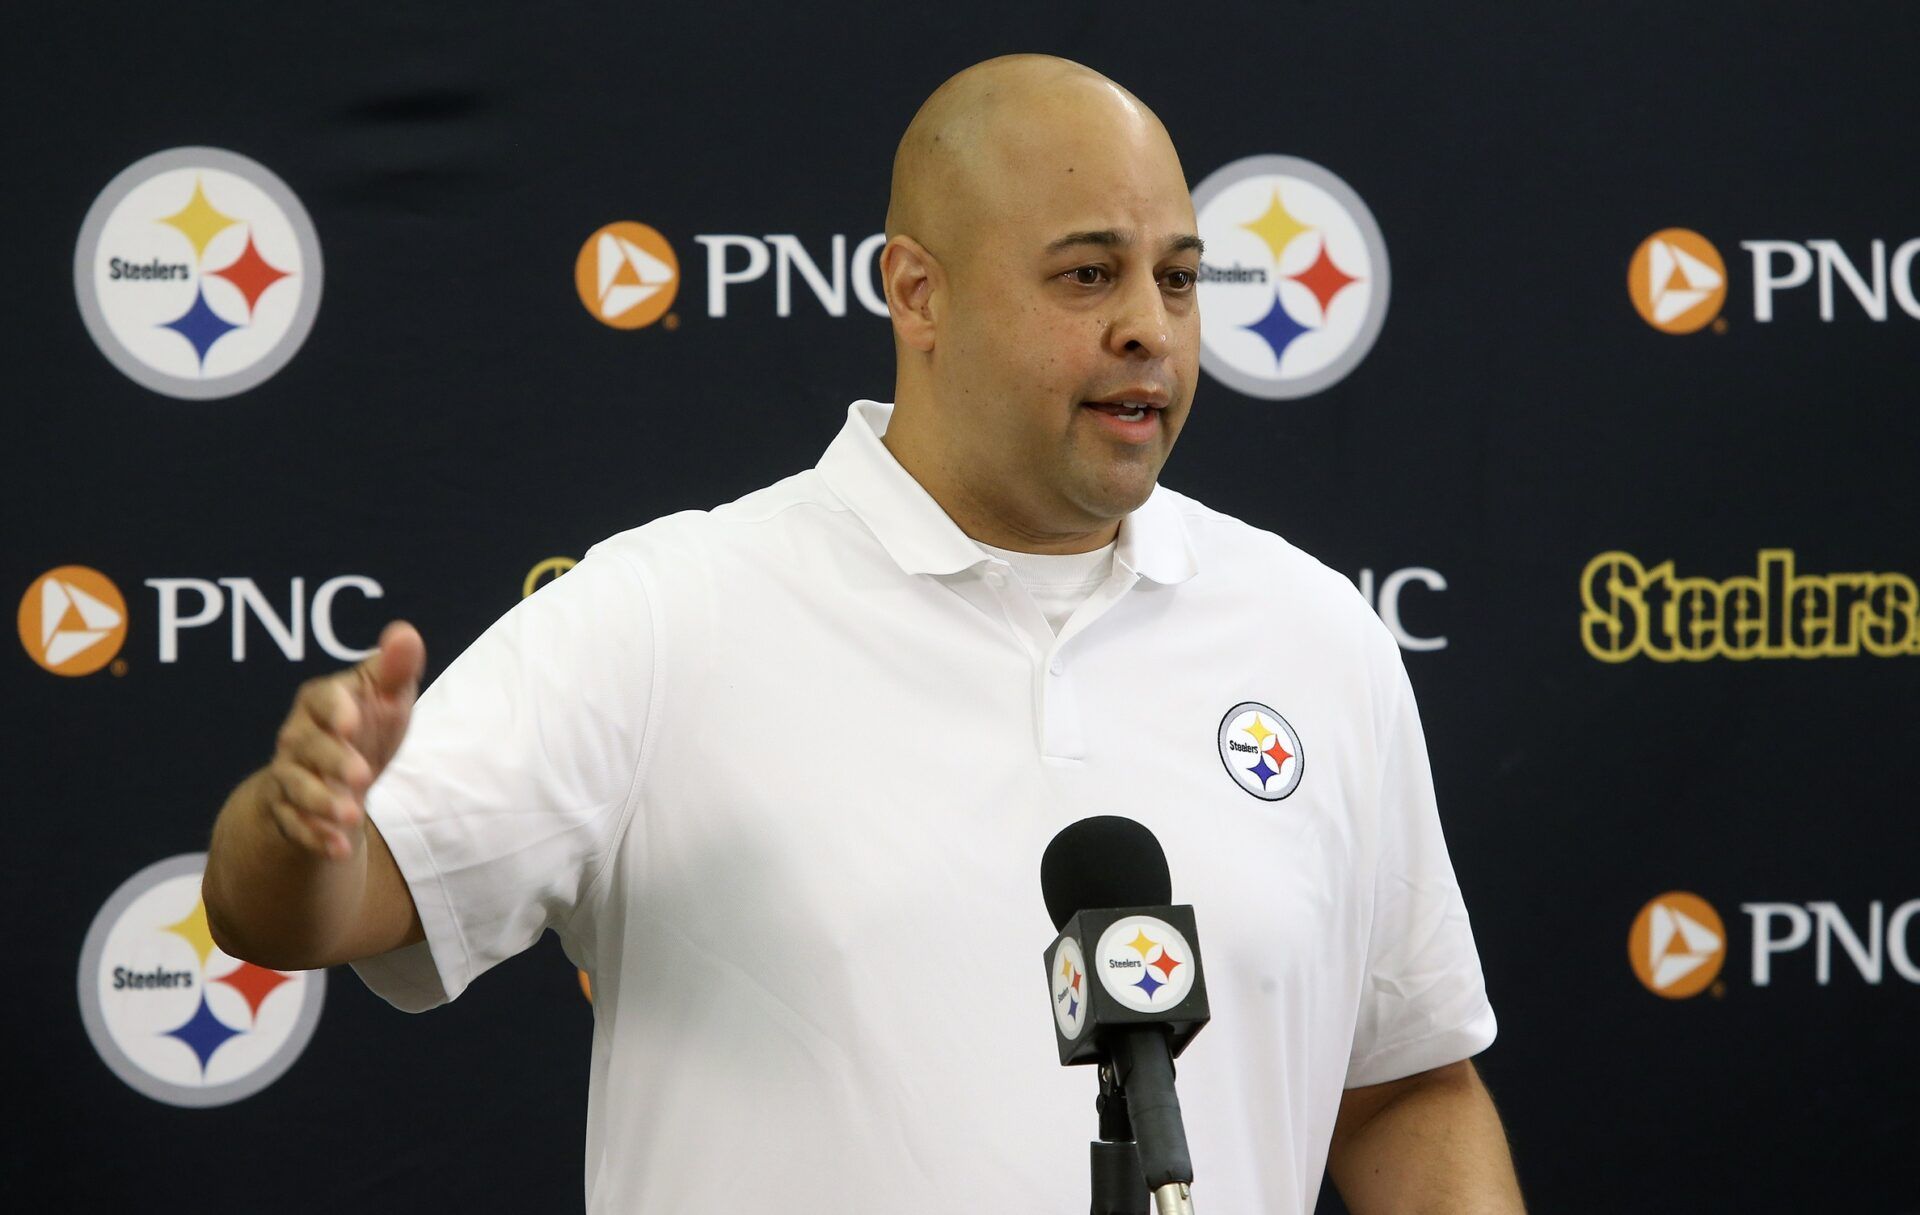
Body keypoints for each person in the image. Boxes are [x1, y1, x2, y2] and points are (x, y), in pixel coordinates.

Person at [203, 54, 1526, 1214]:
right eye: (1088, 273)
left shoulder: (1311, 633)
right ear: (917, 293)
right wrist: (298, 823)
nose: (1151, 327)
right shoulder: (671, 611)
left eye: (1180, 278)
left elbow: (1405, 1089)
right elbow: (316, 907)